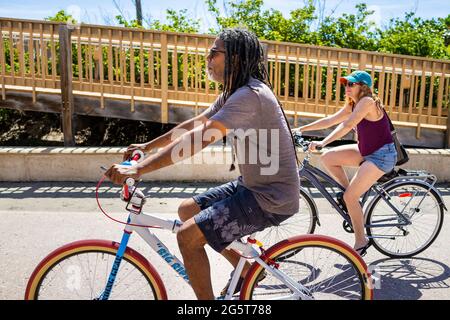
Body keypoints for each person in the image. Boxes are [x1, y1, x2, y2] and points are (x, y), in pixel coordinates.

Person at [105, 28, 300, 299]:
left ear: (235, 59)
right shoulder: (234, 92)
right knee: (187, 210)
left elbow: (202, 137)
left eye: (214, 52)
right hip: (253, 186)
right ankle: (247, 271)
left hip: (270, 197)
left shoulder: (250, 95)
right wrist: (147, 148)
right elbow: (196, 125)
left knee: (187, 237)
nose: (207, 57)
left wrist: (140, 169)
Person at [293, 70, 397, 256]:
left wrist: (322, 143)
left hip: (381, 156)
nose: (346, 88)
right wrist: (299, 129)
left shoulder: (367, 102)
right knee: (328, 158)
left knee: (350, 197)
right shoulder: (354, 104)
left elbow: (347, 125)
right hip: (367, 151)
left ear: (362, 87)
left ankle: (361, 241)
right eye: (345, 84)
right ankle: (350, 198)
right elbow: (330, 120)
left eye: (351, 84)